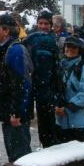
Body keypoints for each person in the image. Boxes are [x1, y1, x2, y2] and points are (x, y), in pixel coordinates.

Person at [0, 14, 33, 163]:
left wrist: (17, 112)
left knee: (20, 157)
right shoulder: (5, 49)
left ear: (6, 30)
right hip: (9, 110)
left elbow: (22, 83)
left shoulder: (15, 50)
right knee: (14, 155)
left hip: (15, 114)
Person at [22, 10, 59, 148]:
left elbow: (57, 68)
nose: (43, 26)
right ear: (37, 24)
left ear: (51, 25)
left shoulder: (55, 41)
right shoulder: (30, 39)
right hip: (33, 84)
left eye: (46, 24)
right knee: (29, 119)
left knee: (47, 123)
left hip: (47, 87)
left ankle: (48, 148)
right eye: (41, 23)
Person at [55, 36, 84, 143]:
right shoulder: (61, 67)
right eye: (68, 46)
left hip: (81, 121)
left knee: (81, 155)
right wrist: (56, 106)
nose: (70, 49)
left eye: (74, 47)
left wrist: (68, 108)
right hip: (63, 120)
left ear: (79, 50)